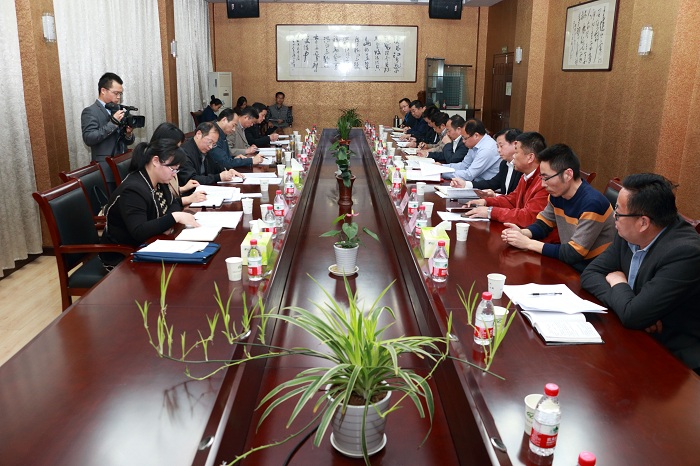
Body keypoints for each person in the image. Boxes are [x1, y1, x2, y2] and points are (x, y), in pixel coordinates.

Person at [581, 174, 700, 373]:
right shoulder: (628, 231)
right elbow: (590, 274)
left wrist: (619, 283)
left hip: (676, 355)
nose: (614, 217)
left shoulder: (685, 253)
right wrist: (631, 305)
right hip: (635, 334)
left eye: (618, 212)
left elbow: (633, 316)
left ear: (643, 222)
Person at [501, 143, 615, 272]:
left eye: (546, 178)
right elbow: (544, 224)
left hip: (593, 269)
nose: (543, 184)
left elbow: (574, 252)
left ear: (568, 175)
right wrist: (522, 233)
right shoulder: (557, 194)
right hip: (569, 264)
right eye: (541, 177)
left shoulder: (593, 203)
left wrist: (528, 243)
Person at [100, 139, 200, 268]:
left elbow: (173, 203)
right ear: (155, 161)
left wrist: (166, 222)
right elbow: (139, 231)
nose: (174, 174)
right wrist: (173, 218)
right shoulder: (133, 190)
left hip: (150, 245)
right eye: (172, 169)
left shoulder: (160, 181)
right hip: (124, 256)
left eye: (177, 170)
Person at [463, 131, 548, 227]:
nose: (514, 156)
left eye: (516, 152)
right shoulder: (526, 176)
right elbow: (512, 200)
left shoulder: (545, 182)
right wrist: (486, 201)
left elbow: (528, 217)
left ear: (530, 157)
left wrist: (491, 212)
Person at [81, 72, 135, 191]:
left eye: (120, 94)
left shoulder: (118, 109)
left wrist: (128, 133)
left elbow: (127, 141)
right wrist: (113, 123)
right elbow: (89, 138)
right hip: (105, 171)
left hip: (123, 167)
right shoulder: (90, 111)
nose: (118, 97)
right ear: (103, 90)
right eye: (116, 93)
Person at [451, 128, 523, 195]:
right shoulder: (504, 164)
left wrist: (495, 196)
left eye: (501, 146)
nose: (498, 150)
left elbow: (516, 197)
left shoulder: (522, 167)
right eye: (497, 147)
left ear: (515, 144)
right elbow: (492, 183)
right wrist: (466, 184)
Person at [178, 122, 242, 192]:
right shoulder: (184, 152)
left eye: (214, 144)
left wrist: (227, 171)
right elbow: (192, 180)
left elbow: (215, 166)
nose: (211, 147)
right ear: (199, 134)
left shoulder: (205, 149)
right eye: (210, 142)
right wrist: (218, 177)